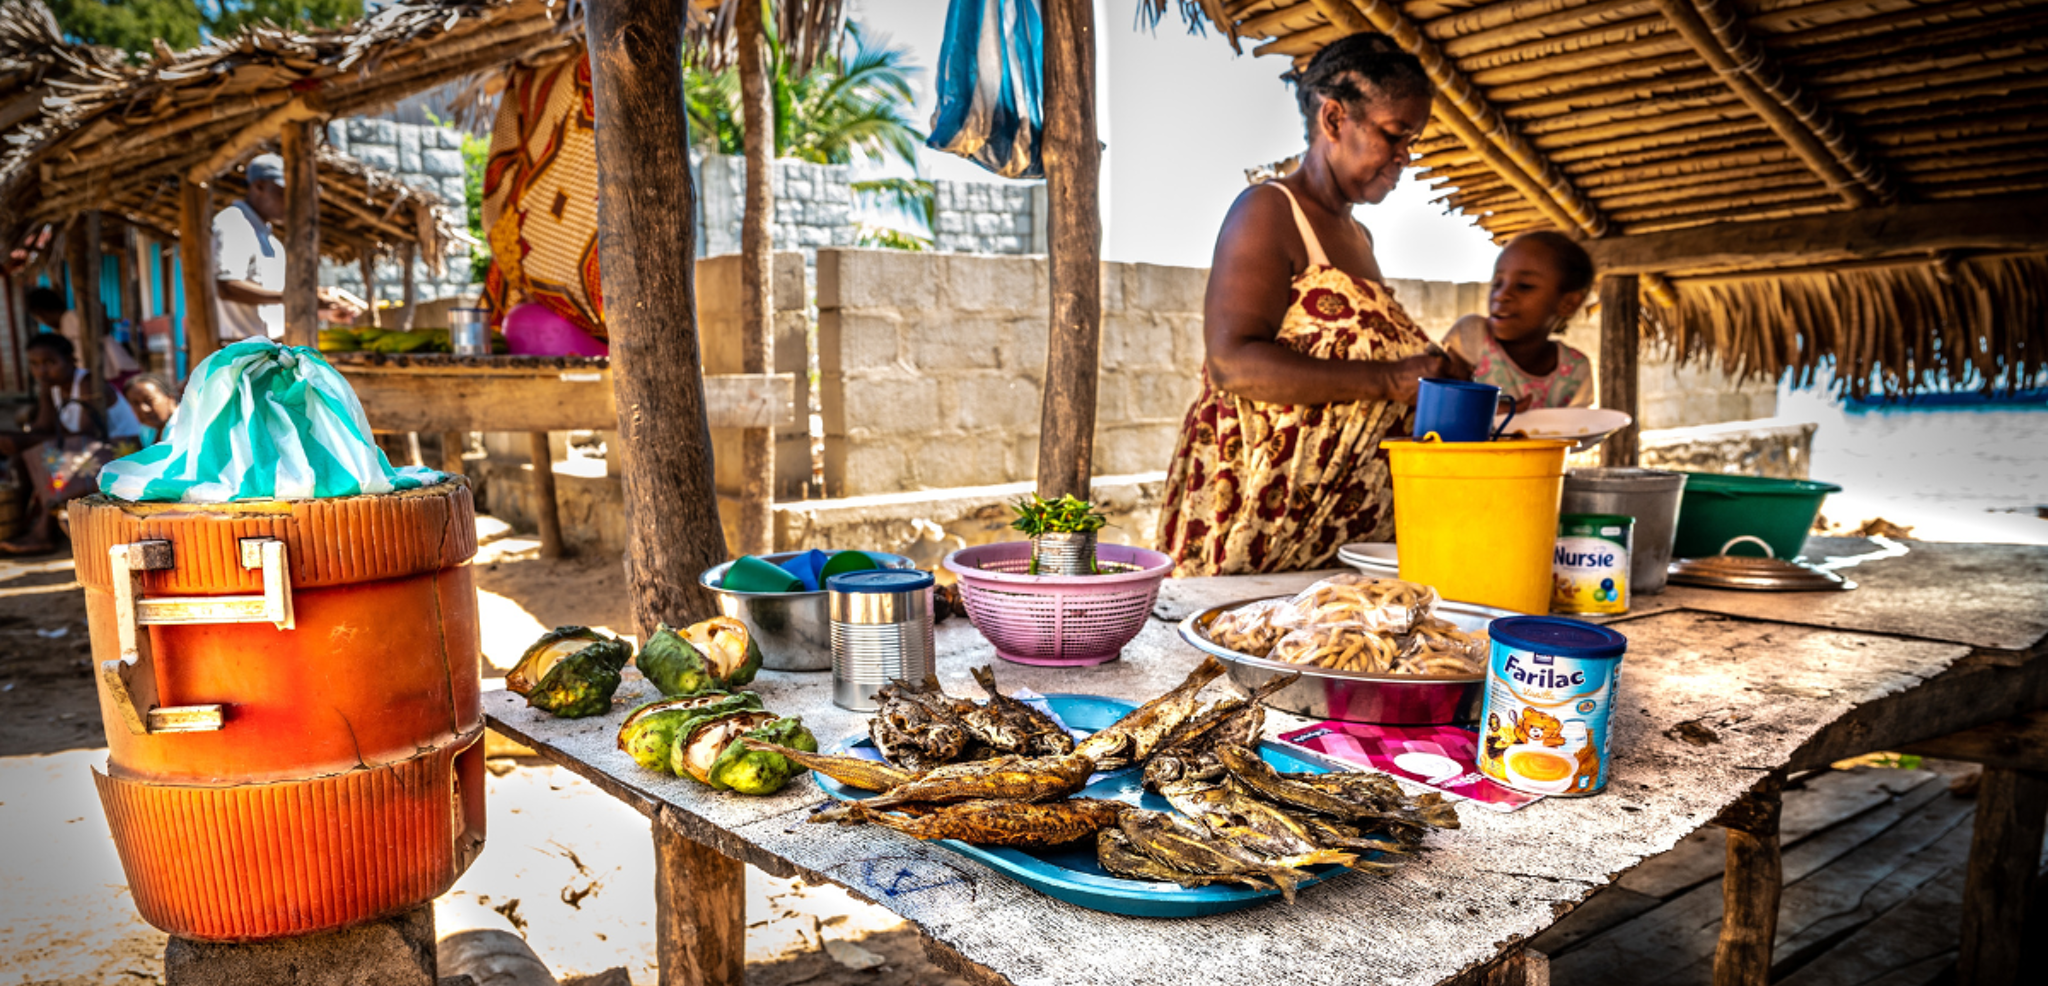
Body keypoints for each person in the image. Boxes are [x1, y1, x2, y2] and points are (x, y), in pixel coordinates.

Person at [1155, 33, 1469, 577]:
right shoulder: (1269, 210)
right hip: (1255, 533)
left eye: (1413, 140)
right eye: (1395, 134)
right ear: (1333, 119)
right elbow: (1234, 363)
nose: (1406, 156)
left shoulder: (1359, 239)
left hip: (1334, 546)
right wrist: (1394, 381)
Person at [1, 335, 142, 555]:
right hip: (88, 453)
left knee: (56, 463)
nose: (42, 371)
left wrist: (23, 440)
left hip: (119, 453)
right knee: (21, 458)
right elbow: (45, 428)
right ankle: (20, 525)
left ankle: (43, 533)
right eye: (35, 364)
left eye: (49, 363)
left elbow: (85, 435)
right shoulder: (52, 388)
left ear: (70, 360)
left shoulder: (87, 384)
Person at [1441, 231, 1597, 411]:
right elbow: (1443, 404)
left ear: (1568, 303)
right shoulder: (1473, 336)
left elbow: (1577, 431)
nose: (1501, 296)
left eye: (1524, 286)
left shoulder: (1575, 369)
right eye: (1497, 283)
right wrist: (1489, 411)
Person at [214, 154, 290, 341]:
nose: (290, 201)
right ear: (259, 186)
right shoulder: (234, 223)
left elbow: (270, 300)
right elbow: (226, 287)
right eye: (283, 193)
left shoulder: (270, 239)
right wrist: (292, 297)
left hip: (268, 348)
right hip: (241, 352)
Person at [27, 286, 140, 385]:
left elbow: (103, 330)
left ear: (42, 314)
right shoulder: (62, 327)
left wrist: (97, 304)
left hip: (106, 372)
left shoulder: (73, 317)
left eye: (40, 319)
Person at [122, 374, 181, 446]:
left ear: (170, 398)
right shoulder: (146, 429)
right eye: (135, 404)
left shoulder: (186, 426)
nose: (143, 409)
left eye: (149, 400)